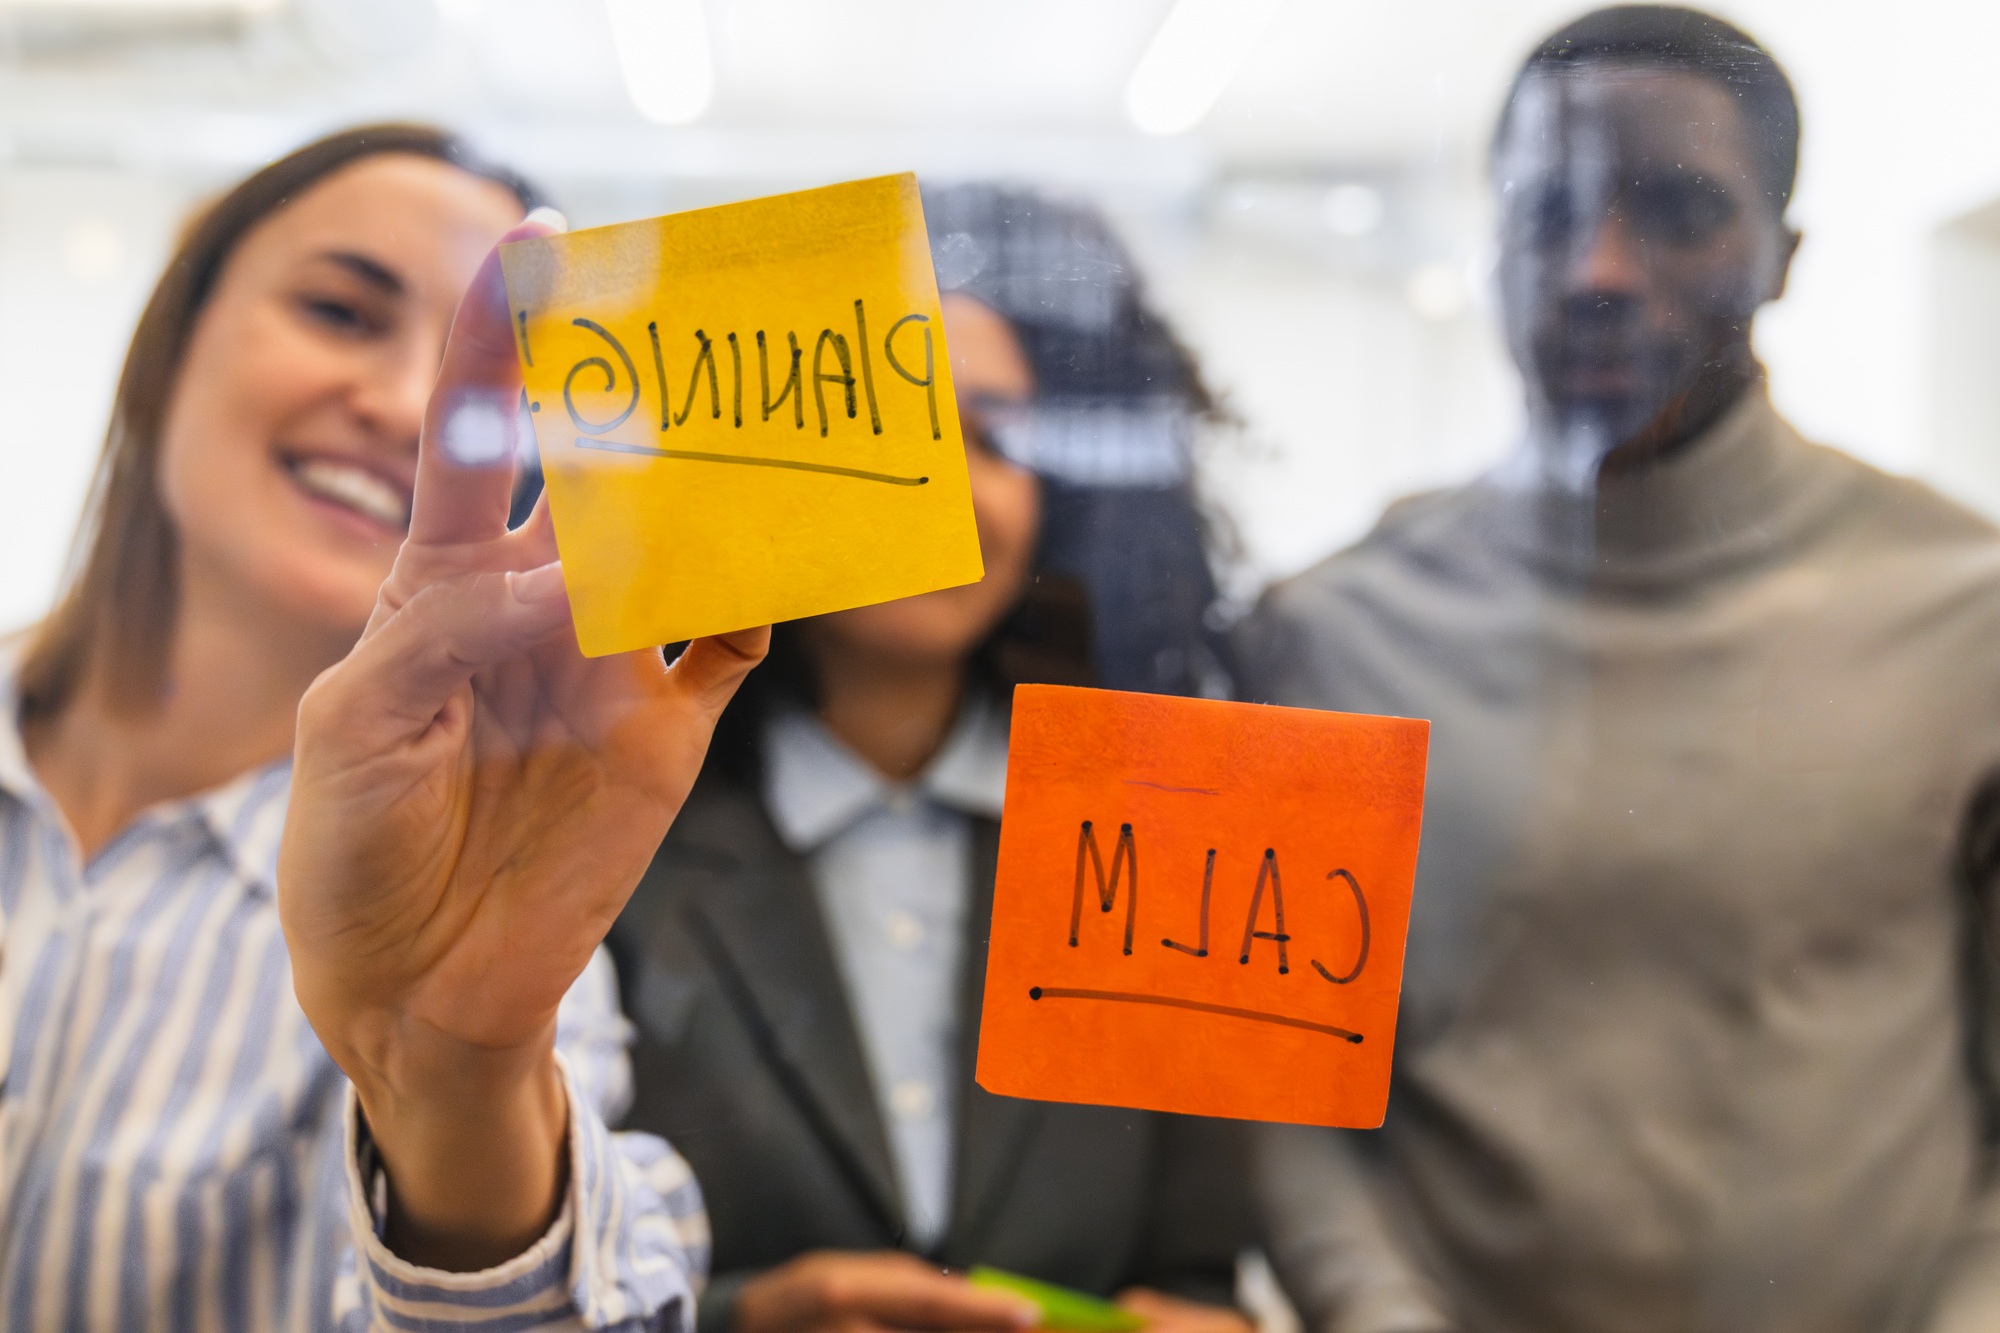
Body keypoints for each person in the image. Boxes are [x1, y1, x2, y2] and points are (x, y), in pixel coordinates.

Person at [1235, 8, 2000, 1333]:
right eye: (1546, 215)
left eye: (1679, 210)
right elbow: (1286, 1093)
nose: (1596, 267)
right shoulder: (1330, 630)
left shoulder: (1967, 613)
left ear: (1784, 258)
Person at [0, 123, 763, 1329]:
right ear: (168, 346)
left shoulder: (477, 885)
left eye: (499, 374)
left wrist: (452, 1083)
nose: (411, 403)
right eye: (341, 312)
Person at [606, 185, 1250, 1333]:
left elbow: (1199, 1268)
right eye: (893, 424)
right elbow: (528, 1258)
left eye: (994, 436)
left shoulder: (1162, 847)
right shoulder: (610, 841)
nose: (941, 480)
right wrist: (745, 1318)